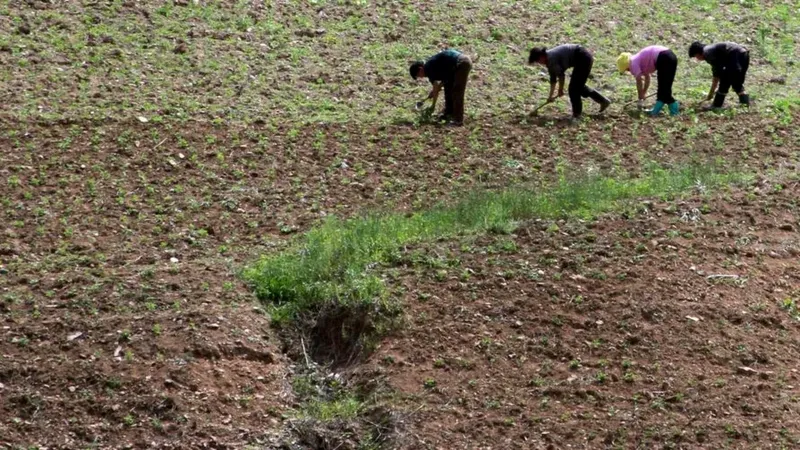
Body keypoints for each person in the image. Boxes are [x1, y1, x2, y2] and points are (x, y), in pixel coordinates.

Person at [528, 44, 611, 120]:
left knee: (573, 89)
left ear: (541, 56)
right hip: (582, 58)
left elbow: (561, 76)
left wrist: (560, 90)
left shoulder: (551, 59)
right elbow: (553, 80)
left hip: (583, 58)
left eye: (538, 61)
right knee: (579, 86)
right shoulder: (549, 61)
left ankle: (577, 115)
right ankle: (603, 101)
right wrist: (550, 97)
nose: (539, 63)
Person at [409, 49, 472, 125]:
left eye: (419, 76)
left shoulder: (428, 68)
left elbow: (436, 87)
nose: (421, 77)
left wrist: (433, 105)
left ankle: (458, 120)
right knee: (448, 88)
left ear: (420, 69)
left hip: (461, 63)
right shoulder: (431, 66)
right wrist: (435, 90)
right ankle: (449, 113)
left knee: (457, 92)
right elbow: (442, 82)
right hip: (455, 67)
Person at [617, 46, 679, 116]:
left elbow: (639, 81)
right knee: (664, 88)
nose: (630, 71)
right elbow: (647, 78)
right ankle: (659, 110)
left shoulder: (633, 63)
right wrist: (644, 93)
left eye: (627, 69)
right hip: (669, 56)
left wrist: (640, 96)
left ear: (627, 65)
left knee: (664, 88)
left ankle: (672, 109)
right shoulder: (639, 61)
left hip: (664, 58)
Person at [689, 41, 750, 109]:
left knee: (724, 82)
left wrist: (711, 94)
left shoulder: (707, 53)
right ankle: (745, 106)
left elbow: (717, 73)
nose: (697, 59)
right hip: (744, 54)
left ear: (698, 53)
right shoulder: (711, 49)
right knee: (736, 83)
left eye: (695, 56)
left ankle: (717, 105)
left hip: (735, 55)